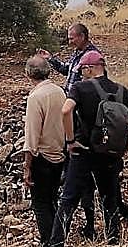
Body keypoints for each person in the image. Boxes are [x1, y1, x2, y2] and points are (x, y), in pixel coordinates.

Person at [55, 50, 128, 245]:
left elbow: (65, 110)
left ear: (89, 69)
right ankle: (113, 242)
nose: (80, 74)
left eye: (82, 70)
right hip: (111, 153)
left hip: (83, 151)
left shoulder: (80, 88)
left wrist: (71, 141)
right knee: (110, 199)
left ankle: (54, 245)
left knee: (69, 198)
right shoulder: (122, 90)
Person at [39, 25, 101, 235]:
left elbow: (95, 89)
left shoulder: (93, 57)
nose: (70, 41)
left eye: (72, 38)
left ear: (83, 36)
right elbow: (68, 71)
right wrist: (51, 59)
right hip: (73, 116)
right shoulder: (78, 55)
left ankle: (85, 223)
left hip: (82, 120)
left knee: (82, 172)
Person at [21, 53, 69, 247]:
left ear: (28, 74)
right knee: (53, 200)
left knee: (40, 204)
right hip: (60, 154)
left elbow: (31, 136)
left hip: (42, 157)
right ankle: (58, 239)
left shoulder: (35, 97)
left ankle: (49, 244)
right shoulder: (60, 92)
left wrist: (27, 166)